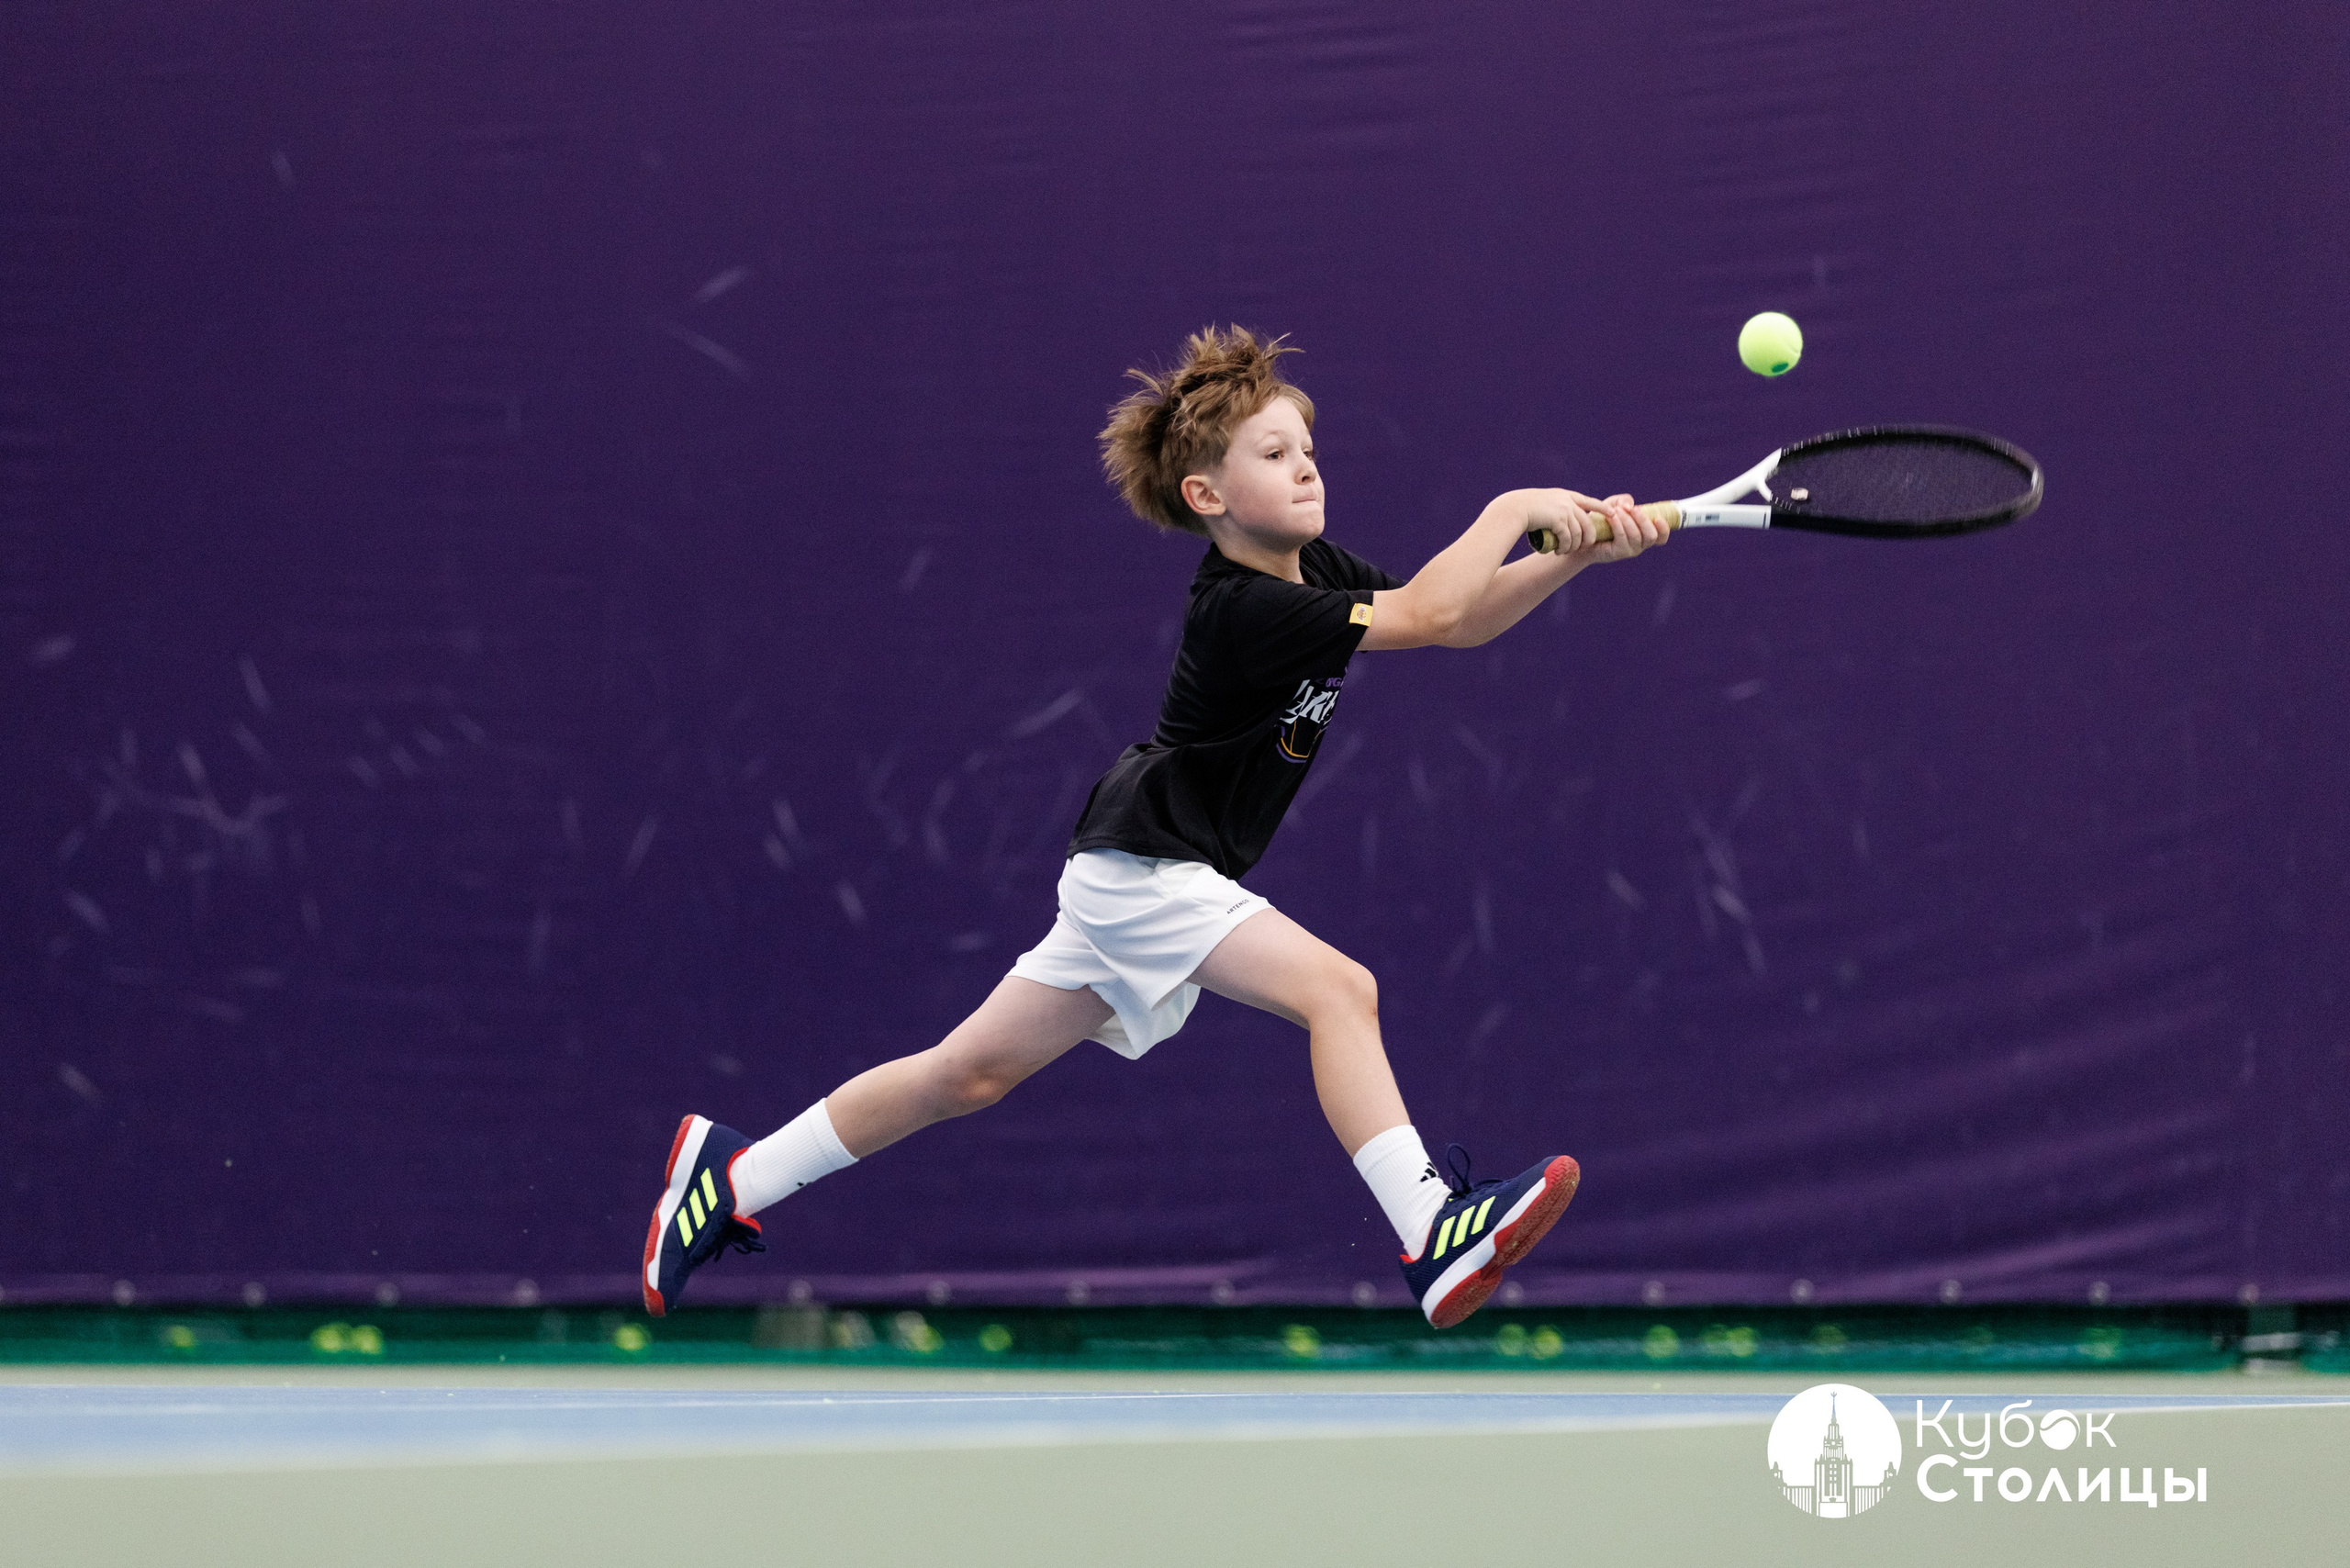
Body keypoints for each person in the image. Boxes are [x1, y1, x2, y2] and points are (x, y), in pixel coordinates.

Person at [643, 326, 1669, 1326]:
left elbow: (1461, 614)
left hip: (1134, 869)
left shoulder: (1314, 574)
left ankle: (732, 1176)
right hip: (1152, 867)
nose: (1307, 469)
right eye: (1275, 454)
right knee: (1338, 990)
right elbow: (1434, 613)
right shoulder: (1241, 608)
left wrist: (1573, 559)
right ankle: (1431, 1227)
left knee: (968, 1072)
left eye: (1309, 449)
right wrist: (1514, 507)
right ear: (1207, 497)